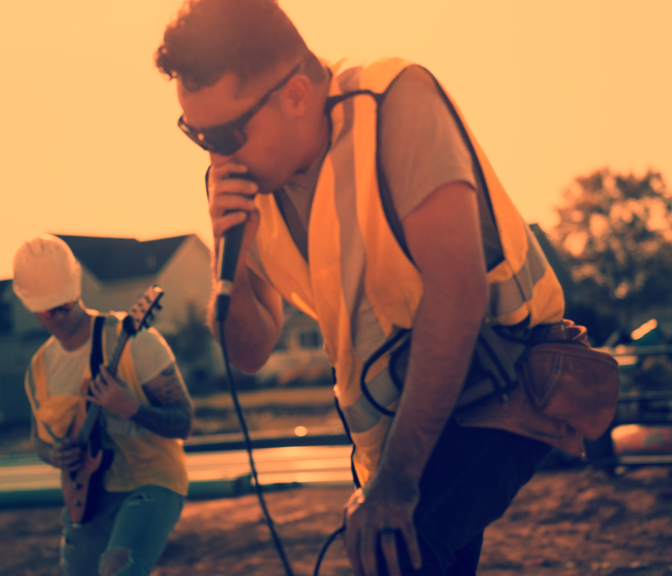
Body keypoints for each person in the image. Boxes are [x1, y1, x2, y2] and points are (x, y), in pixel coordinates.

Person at [155, 1, 575, 574]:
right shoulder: (240, 184)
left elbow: (458, 294)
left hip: (502, 379)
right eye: (195, 133)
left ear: (297, 96)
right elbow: (249, 353)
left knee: (401, 552)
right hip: (399, 422)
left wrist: (396, 484)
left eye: (226, 133)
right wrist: (227, 250)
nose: (216, 153)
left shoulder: (394, 103)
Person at [12, 234, 193, 576]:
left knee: (118, 571)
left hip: (151, 481)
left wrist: (133, 409)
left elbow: (185, 422)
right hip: (88, 497)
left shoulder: (135, 342)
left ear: (75, 287)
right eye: (46, 308)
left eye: (64, 304)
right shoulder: (38, 368)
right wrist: (55, 455)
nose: (57, 314)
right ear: (29, 304)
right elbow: (39, 439)